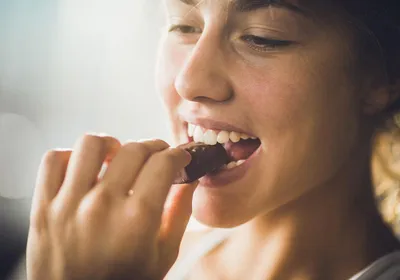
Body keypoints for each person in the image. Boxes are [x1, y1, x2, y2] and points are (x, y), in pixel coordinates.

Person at [26, 0, 400, 279]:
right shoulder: (107, 258)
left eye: (262, 37)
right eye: (183, 26)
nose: (189, 81)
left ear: (379, 77)